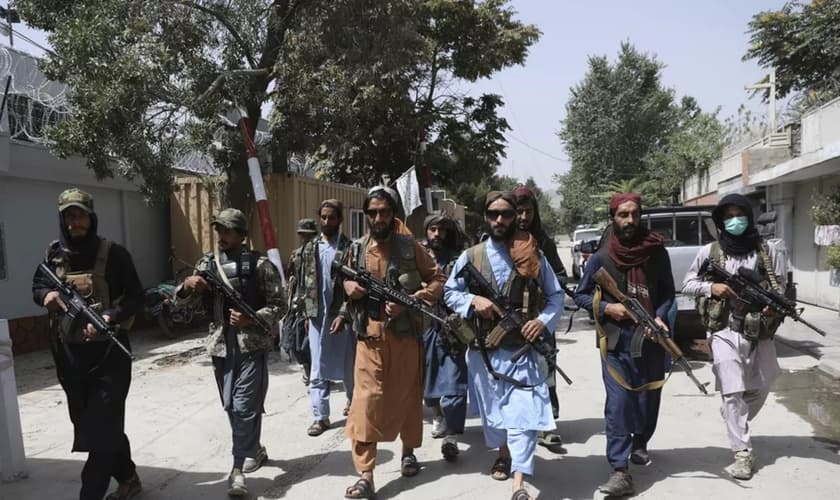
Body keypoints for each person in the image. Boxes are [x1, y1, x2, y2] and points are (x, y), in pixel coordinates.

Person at [445, 191, 563, 500]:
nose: (501, 220)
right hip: (484, 352)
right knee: (494, 414)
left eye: (507, 214)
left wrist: (542, 322)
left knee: (523, 416)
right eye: (494, 214)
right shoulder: (471, 256)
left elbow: (556, 295)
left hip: (522, 350)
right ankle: (503, 452)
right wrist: (473, 299)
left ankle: (519, 482)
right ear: (485, 217)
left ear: (516, 216)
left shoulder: (532, 253)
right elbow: (448, 293)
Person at [31, 188, 144, 500]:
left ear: (91, 218)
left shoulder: (114, 254)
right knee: (91, 425)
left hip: (110, 357)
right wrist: (47, 296)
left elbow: (136, 296)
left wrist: (109, 317)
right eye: (69, 216)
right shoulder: (53, 254)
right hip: (69, 359)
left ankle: (89, 494)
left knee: (102, 428)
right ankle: (128, 477)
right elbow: (38, 283)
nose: (74, 222)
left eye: (80, 215)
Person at [341, 186, 446, 499]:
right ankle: (366, 475)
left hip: (403, 337)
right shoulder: (357, 248)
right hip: (368, 338)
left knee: (407, 397)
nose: (378, 217)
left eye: (384, 211)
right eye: (372, 212)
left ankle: (408, 452)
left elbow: (437, 279)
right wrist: (348, 286)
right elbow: (341, 283)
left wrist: (412, 300)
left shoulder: (409, 245)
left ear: (393, 214)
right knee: (365, 403)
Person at [174, 208, 285, 497]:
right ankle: (254, 449)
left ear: (242, 235)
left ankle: (236, 469)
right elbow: (180, 302)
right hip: (221, 346)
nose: (222, 236)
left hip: (251, 345)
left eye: (228, 231)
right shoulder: (207, 264)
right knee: (230, 406)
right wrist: (188, 286)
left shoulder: (260, 265)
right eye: (219, 230)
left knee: (244, 406)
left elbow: (280, 304)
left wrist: (253, 318)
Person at [574, 193, 675, 497]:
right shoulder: (601, 258)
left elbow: (669, 294)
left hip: (652, 340)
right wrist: (608, 309)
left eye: (634, 214)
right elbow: (580, 295)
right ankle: (620, 470)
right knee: (618, 405)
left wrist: (661, 318)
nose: (630, 221)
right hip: (617, 344)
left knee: (647, 401)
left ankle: (640, 441)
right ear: (613, 218)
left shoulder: (657, 254)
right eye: (623, 215)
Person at [682, 194, 784, 481]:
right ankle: (742, 453)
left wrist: (773, 304)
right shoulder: (710, 252)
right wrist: (711, 289)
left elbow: (780, 284)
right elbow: (688, 284)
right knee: (733, 390)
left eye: (740, 214)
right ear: (720, 221)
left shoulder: (766, 251)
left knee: (765, 382)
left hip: (759, 330)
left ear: (749, 218)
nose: (735, 220)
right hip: (723, 330)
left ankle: (734, 417)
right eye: (728, 216)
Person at [512, 186, 567, 452]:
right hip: (508, 321)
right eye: (518, 211)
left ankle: (548, 425)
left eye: (528, 212)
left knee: (546, 371)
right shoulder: (499, 240)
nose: (523, 217)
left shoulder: (543, 242)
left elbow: (561, 276)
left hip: (539, 320)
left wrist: (544, 296)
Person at [298, 200, 356, 436]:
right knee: (317, 367)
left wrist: (344, 313)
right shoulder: (309, 248)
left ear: (340, 220)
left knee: (349, 365)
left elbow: (355, 286)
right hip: (316, 316)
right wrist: (304, 312)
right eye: (323, 217)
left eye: (331, 218)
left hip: (342, 316)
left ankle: (354, 405)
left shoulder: (350, 248)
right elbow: (302, 284)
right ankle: (320, 416)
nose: (326, 222)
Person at [421, 213, 468, 461]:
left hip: (453, 329)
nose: (436, 234)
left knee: (455, 382)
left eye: (441, 229)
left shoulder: (458, 260)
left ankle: (451, 434)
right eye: (432, 229)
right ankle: (437, 416)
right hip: (424, 326)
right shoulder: (419, 258)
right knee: (427, 379)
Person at [282, 218, 318, 384]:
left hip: (313, 302)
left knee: (310, 341)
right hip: (296, 302)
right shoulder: (296, 254)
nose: (305, 238)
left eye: (308, 235)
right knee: (294, 340)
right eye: (303, 235)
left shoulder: (319, 251)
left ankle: (316, 371)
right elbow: (291, 275)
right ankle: (307, 368)